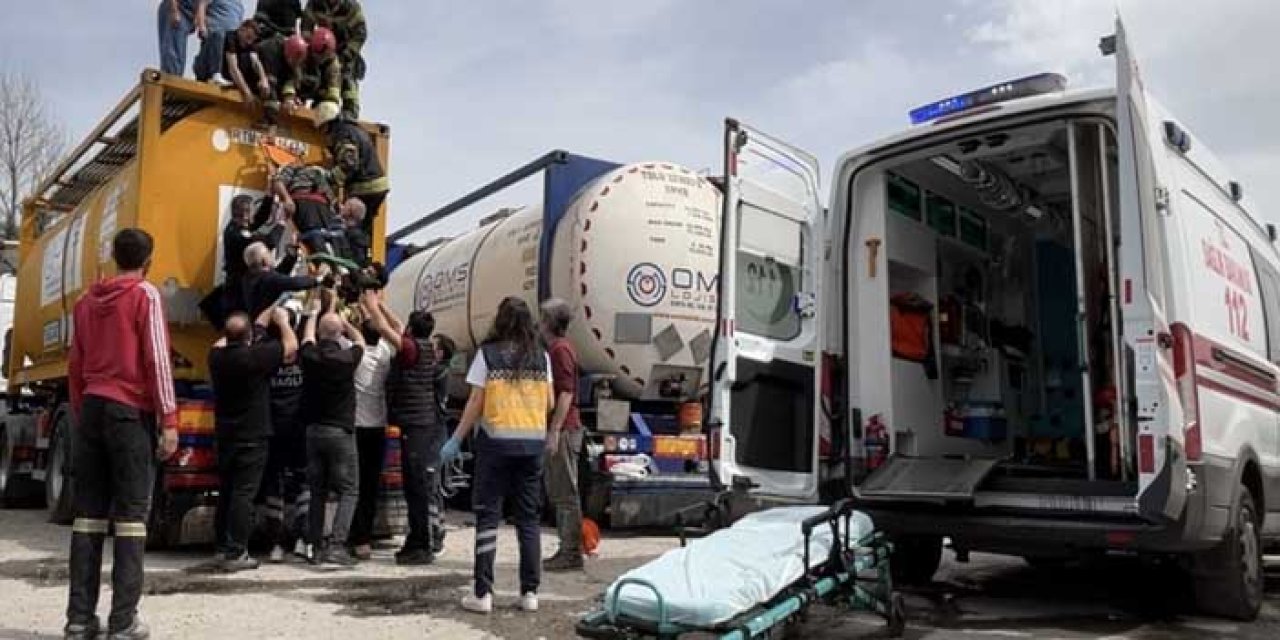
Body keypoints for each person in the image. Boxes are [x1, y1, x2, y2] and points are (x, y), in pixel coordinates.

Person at [65, 229, 179, 640]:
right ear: (148, 260)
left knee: (88, 519)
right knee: (131, 519)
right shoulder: (144, 295)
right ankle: (123, 620)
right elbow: (157, 359)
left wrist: (82, 416)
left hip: (92, 409)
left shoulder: (85, 302)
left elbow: (74, 366)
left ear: (115, 257)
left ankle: (79, 619)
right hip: (129, 413)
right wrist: (169, 420)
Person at [440, 297, 553, 614]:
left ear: (500, 320)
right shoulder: (541, 357)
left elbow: (475, 401)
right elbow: (550, 401)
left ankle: (483, 593)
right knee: (528, 521)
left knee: (488, 518)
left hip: (495, 445)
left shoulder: (487, 355)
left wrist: (456, 439)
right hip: (532, 447)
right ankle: (530, 593)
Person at [208, 305, 298, 572]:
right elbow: (291, 346)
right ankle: (237, 551)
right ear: (249, 338)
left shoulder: (217, 357)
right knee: (243, 494)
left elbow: (223, 341)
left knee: (226, 490)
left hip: (226, 435)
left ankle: (222, 547)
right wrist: (282, 321)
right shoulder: (257, 357)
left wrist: (260, 318)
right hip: (253, 435)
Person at [374, 302, 445, 565]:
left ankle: (421, 543)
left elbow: (384, 328)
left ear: (412, 329)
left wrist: (370, 304)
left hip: (414, 425)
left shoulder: (412, 350)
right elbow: (394, 326)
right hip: (420, 423)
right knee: (415, 485)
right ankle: (418, 540)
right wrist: (381, 303)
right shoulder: (421, 346)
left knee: (415, 486)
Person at [299, 294, 365, 566]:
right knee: (349, 490)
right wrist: (346, 321)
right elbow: (360, 342)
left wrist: (314, 314)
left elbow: (306, 339)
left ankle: (313, 546)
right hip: (340, 432)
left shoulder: (310, 357)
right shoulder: (347, 359)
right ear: (338, 335)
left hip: (313, 432)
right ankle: (337, 545)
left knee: (317, 492)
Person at [345, 292, 398, 560]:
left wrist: (345, 307)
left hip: (354, 428)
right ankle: (362, 539)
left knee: (349, 485)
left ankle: (344, 535)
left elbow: (343, 330)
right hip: (378, 427)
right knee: (369, 486)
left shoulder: (355, 353)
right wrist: (375, 306)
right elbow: (394, 330)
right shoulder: (385, 354)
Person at [260, 308, 311, 562]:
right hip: (296, 430)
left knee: (276, 486)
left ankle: (277, 544)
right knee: (301, 484)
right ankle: (301, 540)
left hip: (275, 430)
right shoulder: (303, 356)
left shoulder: (268, 355)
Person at [539, 298, 585, 571]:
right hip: (563, 426)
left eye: (542, 318)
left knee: (564, 491)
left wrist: (554, 430)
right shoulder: (558, 349)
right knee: (560, 490)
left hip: (565, 427)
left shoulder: (559, 350)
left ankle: (570, 551)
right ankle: (568, 548)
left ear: (549, 322)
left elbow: (566, 392)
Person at [324, 115, 389, 236]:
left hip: (364, 186)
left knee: (352, 224)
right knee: (364, 227)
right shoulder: (358, 130)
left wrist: (330, 179)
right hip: (379, 185)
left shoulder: (342, 132)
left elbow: (349, 163)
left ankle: (353, 247)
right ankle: (361, 249)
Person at [301, 0, 367, 118]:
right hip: (322, 47)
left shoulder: (351, 7)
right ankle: (321, 104)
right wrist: (311, 48)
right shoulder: (315, 4)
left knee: (347, 76)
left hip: (344, 49)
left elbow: (360, 34)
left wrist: (348, 53)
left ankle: (350, 109)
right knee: (319, 74)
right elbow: (306, 27)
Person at [158, 1, 246, 81]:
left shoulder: (237, 7)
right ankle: (170, 81)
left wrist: (198, 22)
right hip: (178, 6)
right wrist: (174, 10)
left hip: (191, 13)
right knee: (174, 52)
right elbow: (202, 5)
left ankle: (175, 80)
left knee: (179, 53)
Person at [271, 161, 337, 256]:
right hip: (305, 201)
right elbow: (278, 182)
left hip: (324, 205)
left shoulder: (323, 173)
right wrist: (287, 199)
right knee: (315, 232)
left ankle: (339, 264)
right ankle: (324, 259)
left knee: (336, 234)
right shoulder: (294, 167)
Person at [241, 241, 317, 318]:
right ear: (264, 260)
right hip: (269, 325)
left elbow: (279, 275)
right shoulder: (268, 278)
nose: (271, 254)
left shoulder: (249, 276)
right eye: (268, 252)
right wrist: (317, 279)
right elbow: (295, 283)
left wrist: (291, 256)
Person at [282, 27, 342, 116]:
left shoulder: (332, 62)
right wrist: (289, 97)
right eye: (316, 54)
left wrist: (331, 103)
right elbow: (291, 76)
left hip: (319, 90)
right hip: (299, 85)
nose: (319, 59)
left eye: (323, 56)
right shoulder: (301, 49)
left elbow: (334, 85)